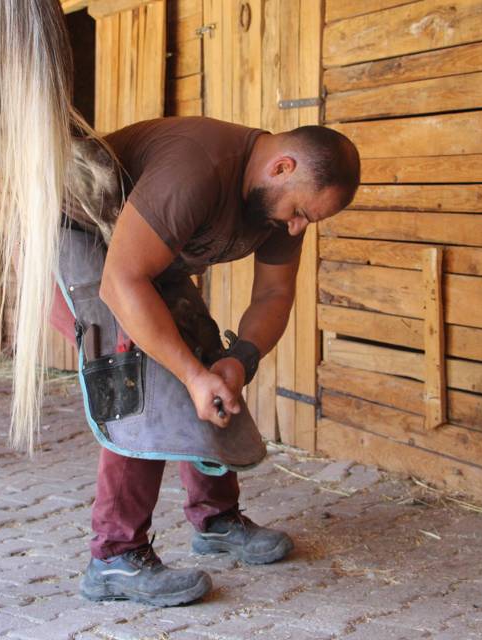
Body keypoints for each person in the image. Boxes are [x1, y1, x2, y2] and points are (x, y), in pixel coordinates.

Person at [74, 116, 360, 606]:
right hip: (77, 232)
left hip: (139, 251)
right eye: (300, 213)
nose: (296, 227)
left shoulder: (279, 198)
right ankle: (115, 556)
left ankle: (216, 521)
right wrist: (188, 374)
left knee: (206, 354)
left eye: (306, 220)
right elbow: (121, 280)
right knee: (143, 380)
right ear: (282, 167)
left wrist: (238, 362)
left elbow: (274, 293)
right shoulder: (198, 166)